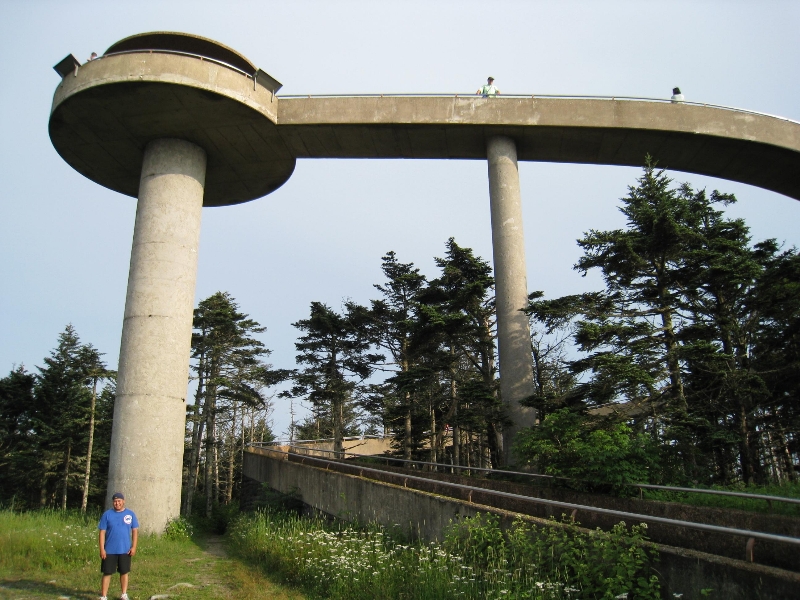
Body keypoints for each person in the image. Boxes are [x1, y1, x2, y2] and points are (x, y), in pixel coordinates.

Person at [98, 492, 139, 600]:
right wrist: (102, 549)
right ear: (113, 502)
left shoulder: (130, 514)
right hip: (109, 550)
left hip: (125, 550)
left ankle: (124, 594)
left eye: (119, 501)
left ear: (123, 501)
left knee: (124, 572)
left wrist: (134, 547)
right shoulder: (107, 514)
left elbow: (135, 531)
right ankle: (104, 596)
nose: (117, 503)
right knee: (107, 573)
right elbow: (102, 532)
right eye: (115, 501)